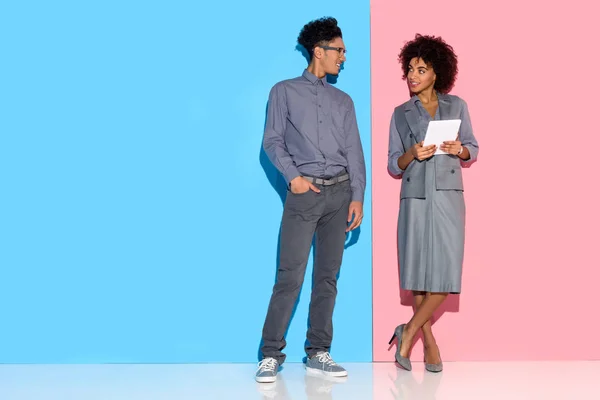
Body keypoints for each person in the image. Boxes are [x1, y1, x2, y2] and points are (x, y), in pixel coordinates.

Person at [256, 17, 366, 383]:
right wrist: (294, 178)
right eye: (340, 50)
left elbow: (354, 150)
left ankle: (318, 351)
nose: (344, 58)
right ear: (318, 52)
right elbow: (272, 141)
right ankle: (271, 354)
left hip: (340, 194)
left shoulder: (343, 101)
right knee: (290, 276)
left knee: (328, 277)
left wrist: (358, 196)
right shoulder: (283, 91)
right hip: (305, 196)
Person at [387, 34, 479, 372]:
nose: (412, 75)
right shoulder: (400, 113)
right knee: (418, 276)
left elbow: (473, 147)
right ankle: (430, 343)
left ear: (436, 73)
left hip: (449, 194)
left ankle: (408, 331)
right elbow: (392, 162)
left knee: (445, 273)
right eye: (409, 69)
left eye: (421, 69)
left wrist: (460, 149)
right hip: (414, 195)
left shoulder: (458, 106)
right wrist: (412, 154)